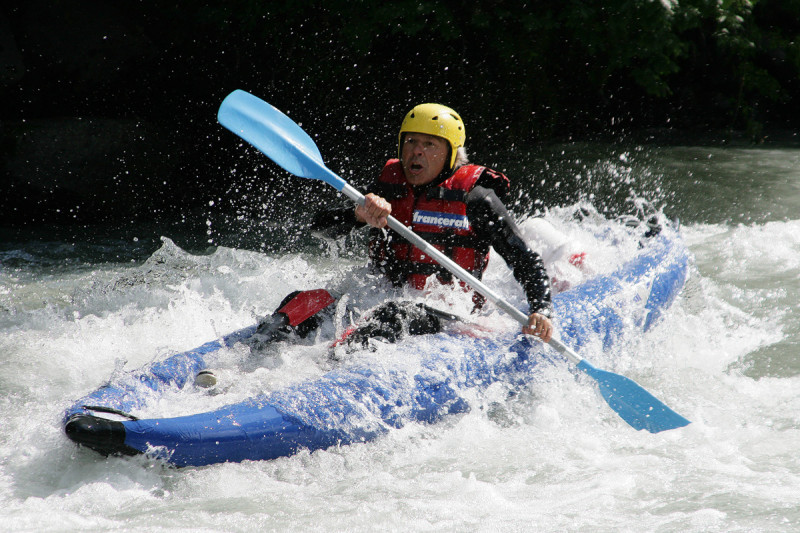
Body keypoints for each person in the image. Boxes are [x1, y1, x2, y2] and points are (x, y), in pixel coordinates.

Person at [197, 103, 553, 387]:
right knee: (304, 301)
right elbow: (320, 229)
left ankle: (313, 378)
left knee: (392, 314)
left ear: (449, 154)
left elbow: (525, 260)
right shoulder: (388, 186)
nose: (417, 152)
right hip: (381, 290)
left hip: (449, 309)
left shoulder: (478, 199)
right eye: (411, 142)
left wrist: (541, 309)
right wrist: (360, 215)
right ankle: (241, 369)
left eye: (430, 145)